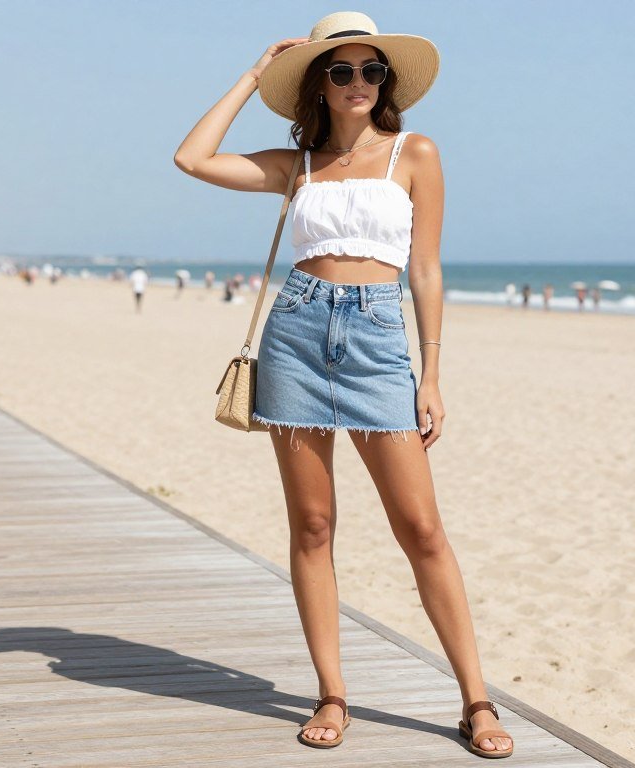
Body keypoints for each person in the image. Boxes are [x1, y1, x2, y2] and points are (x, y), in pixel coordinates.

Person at [174, 11, 512, 759]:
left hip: (379, 338)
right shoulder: (295, 166)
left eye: (371, 71)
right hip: (295, 332)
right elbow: (191, 158)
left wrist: (432, 374)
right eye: (341, 71)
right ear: (317, 85)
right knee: (314, 526)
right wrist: (254, 71)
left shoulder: (415, 153)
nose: (359, 83)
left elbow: (425, 267)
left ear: (385, 83)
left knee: (421, 528)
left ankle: (477, 701)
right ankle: (332, 691)